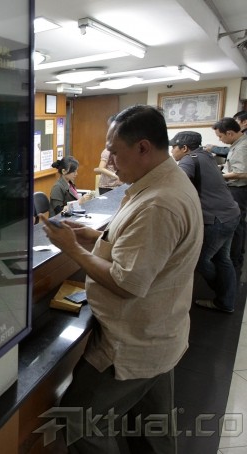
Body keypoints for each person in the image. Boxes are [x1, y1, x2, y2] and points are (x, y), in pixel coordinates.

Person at [42, 105, 203, 453]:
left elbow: (126, 283)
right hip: (160, 336)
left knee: (78, 424)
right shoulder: (163, 182)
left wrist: (72, 249)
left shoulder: (159, 203)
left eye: (114, 152)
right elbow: (142, 248)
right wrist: (93, 237)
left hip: (132, 344)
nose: (110, 162)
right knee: (150, 429)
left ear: (143, 147)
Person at [170, 131, 240, 313]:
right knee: (222, 258)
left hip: (217, 219)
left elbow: (177, 184)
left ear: (184, 148)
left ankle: (224, 294)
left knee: (199, 259)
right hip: (231, 213)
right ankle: (227, 299)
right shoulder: (206, 155)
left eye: (173, 147)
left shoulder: (188, 160)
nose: (171, 151)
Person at [212, 117, 247, 277]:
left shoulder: (242, 147)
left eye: (220, 136)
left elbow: (241, 172)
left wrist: (219, 176)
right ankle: (236, 256)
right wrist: (220, 167)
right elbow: (233, 166)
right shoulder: (238, 144)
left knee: (236, 224)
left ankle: (234, 260)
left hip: (238, 190)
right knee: (238, 223)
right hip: (237, 189)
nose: (220, 140)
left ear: (230, 133)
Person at [94, 116, 122, 195]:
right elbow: (100, 168)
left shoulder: (122, 151)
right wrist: (114, 175)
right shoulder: (107, 151)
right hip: (107, 186)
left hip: (118, 186)